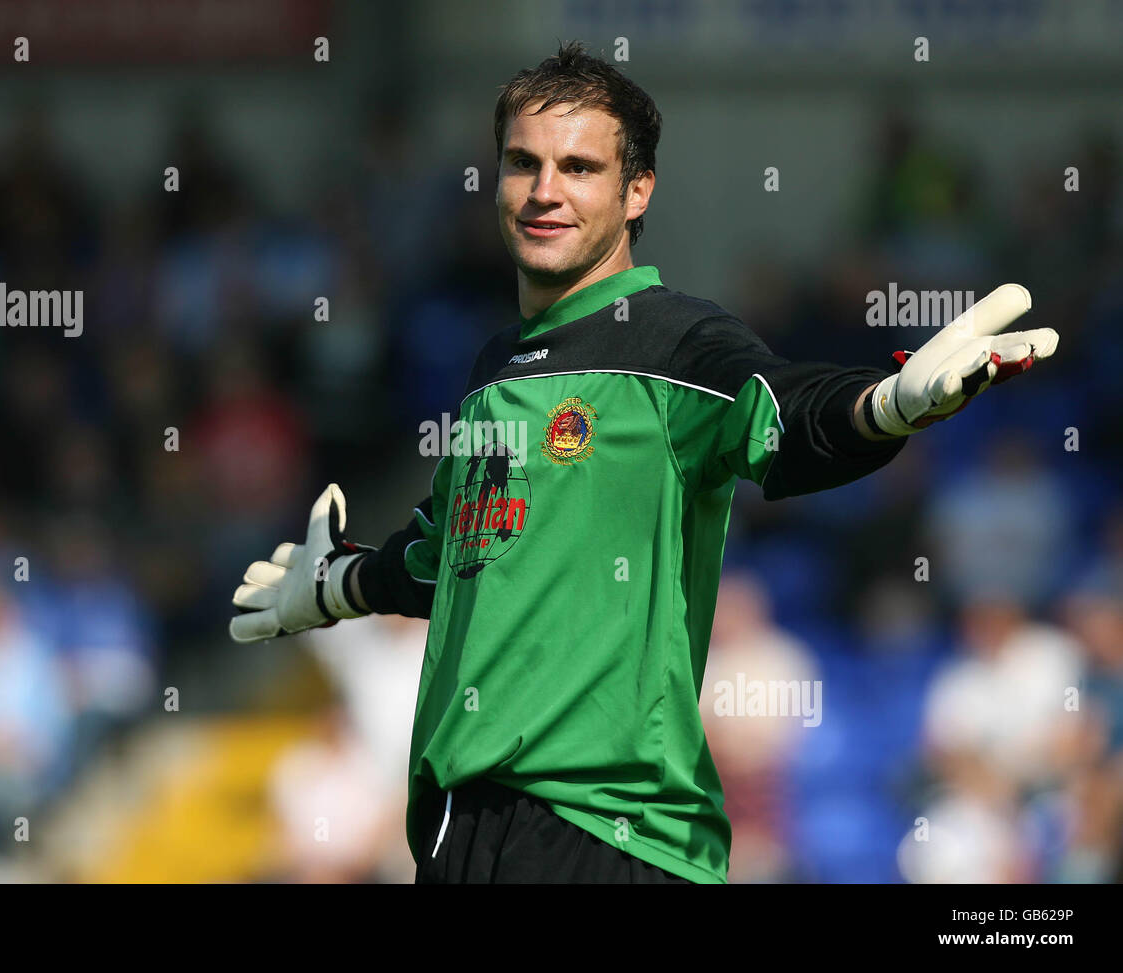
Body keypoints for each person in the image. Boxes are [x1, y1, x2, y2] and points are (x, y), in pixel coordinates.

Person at [229, 41, 1058, 884]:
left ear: (636, 192)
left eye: (579, 167)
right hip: (458, 837)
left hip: (608, 838)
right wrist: (336, 583)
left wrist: (886, 404)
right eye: (523, 163)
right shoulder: (490, 371)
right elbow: (449, 559)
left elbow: (788, 413)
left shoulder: (677, 344)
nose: (544, 191)